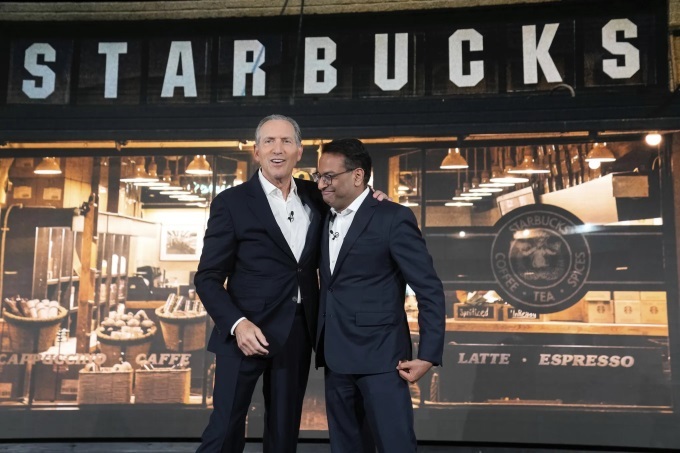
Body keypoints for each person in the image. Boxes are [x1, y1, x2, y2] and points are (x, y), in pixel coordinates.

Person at [193, 115, 385, 452]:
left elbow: (353, 205)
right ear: (256, 152)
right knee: (224, 431)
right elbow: (207, 277)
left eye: (285, 141)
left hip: (297, 332)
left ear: (299, 151)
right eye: (269, 141)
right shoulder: (231, 202)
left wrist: (373, 199)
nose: (277, 149)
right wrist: (237, 324)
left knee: (283, 435)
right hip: (244, 333)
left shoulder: (317, 195)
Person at [313, 138, 446, 453]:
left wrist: (428, 355)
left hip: (382, 361)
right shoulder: (321, 214)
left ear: (358, 176)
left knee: (394, 446)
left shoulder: (393, 217)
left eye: (329, 176)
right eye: (318, 176)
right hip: (335, 359)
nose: (321, 184)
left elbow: (428, 287)